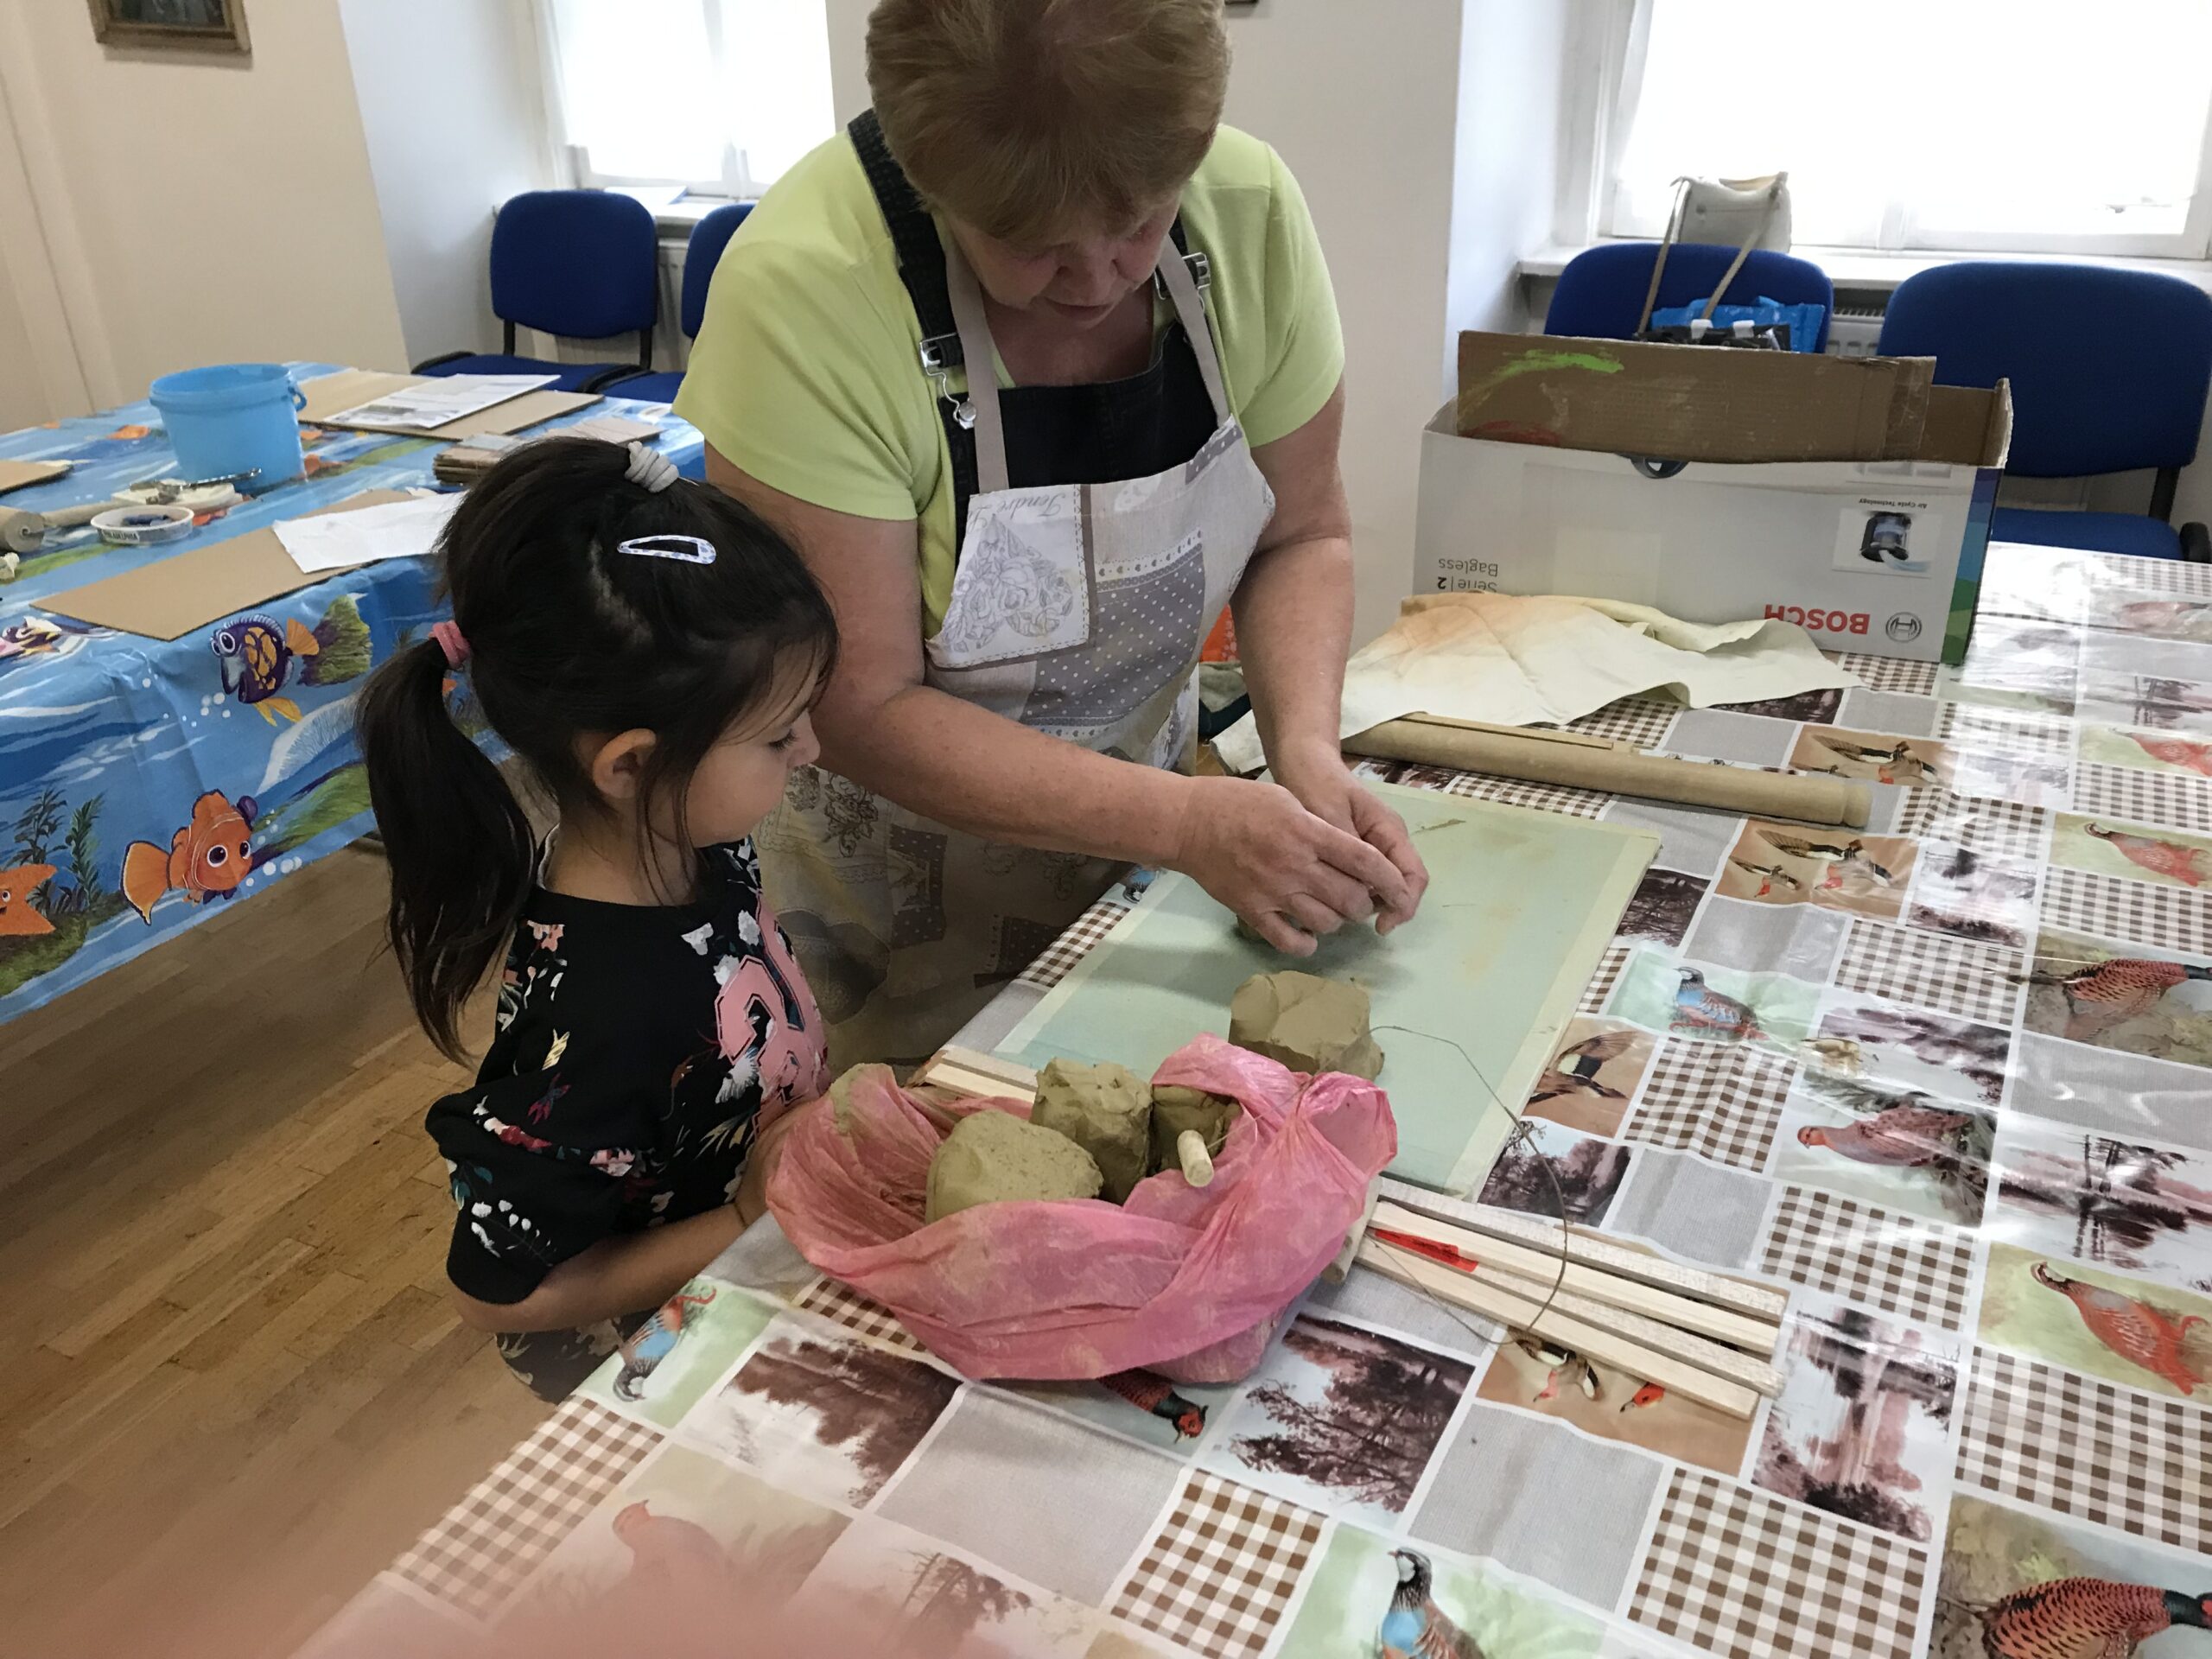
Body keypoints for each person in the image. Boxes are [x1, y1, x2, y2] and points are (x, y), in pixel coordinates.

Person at [677, 0, 1430, 1067]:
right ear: (931, 183)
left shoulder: (1246, 211)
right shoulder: (805, 292)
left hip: (1146, 855)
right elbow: (857, 702)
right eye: (1032, 248)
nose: (1097, 279)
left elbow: (1299, 534)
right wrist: (1185, 825)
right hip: (885, 896)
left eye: (1140, 224)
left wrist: (1302, 753)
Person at [357, 438, 838, 1400]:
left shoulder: (695, 847)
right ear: (631, 765)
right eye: (779, 735)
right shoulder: (605, 1019)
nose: (813, 750)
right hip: (663, 1369)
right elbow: (496, 1291)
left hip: (766, 1278)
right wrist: (741, 1219)